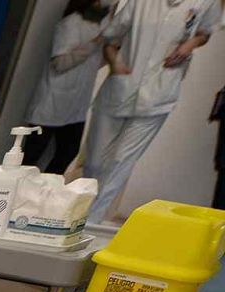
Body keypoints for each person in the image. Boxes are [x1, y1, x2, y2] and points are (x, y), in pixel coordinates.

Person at [84, 0, 221, 222]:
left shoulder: (206, 2)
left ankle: (90, 221)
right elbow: (111, 38)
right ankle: (80, 212)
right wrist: (115, 64)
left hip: (159, 95)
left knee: (121, 161)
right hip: (120, 87)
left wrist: (190, 45)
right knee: (95, 161)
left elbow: (206, 31)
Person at [22, 0, 110, 174]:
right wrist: (95, 43)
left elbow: (92, 65)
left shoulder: (101, 26)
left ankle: (43, 192)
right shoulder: (70, 23)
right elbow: (60, 63)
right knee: (30, 158)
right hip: (51, 103)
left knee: (68, 153)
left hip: (76, 106)